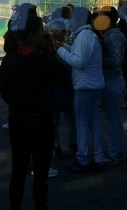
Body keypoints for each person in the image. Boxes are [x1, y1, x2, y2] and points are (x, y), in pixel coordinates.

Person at [0, 14, 59, 210]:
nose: (44, 35)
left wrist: (17, 104)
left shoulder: (9, 59)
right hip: (41, 121)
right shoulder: (43, 60)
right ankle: (40, 205)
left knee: (18, 169)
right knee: (40, 172)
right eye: (41, 32)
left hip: (18, 120)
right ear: (32, 35)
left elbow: (4, 92)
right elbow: (58, 82)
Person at [56, 11, 106, 173]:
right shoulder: (88, 35)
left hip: (85, 87)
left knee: (82, 124)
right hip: (93, 85)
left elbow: (79, 61)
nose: (69, 22)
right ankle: (99, 158)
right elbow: (79, 53)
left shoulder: (84, 36)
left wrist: (59, 51)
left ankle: (82, 159)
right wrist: (63, 45)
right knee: (93, 123)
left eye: (72, 18)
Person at [96, 6, 127, 164]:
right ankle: (119, 149)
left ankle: (114, 152)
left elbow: (116, 61)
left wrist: (96, 59)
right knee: (114, 118)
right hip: (110, 81)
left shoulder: (114, 36)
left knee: (112, 119)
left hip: (112, 82)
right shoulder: (109, 34)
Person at [48, 19, 77, 159]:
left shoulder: (69, 45)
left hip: (69, 86)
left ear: (64, 32)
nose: (53, 33)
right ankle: (56, 146)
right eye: (51, 30)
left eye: (56, 30)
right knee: (55, 119)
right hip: (54, 87)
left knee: (71, 118)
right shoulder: (47, 47)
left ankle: (73, 143)